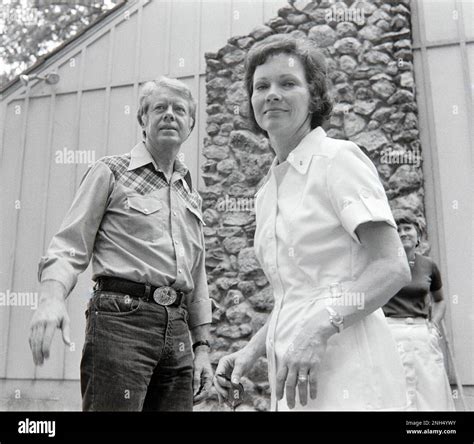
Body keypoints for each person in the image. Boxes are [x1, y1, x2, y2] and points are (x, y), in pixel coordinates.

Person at [214, 34, 412, 411]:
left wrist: (320, 327)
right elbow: (295, 294)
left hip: (350, 367)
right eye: (261, 86)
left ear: (314, 96)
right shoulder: (266, 192)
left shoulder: (338, 160)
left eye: (288, 83)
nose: (272, 93)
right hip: (291, 372)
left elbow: (392, 266)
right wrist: (251, 350)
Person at [29, 77, 213, 411]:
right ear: (143, 119)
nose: (170, 115)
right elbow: (69, 246)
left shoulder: (191, 194)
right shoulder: (111, 171)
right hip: (121, 321)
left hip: (178, 331)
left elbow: (198, 276)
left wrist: (202, 346)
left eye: (179, 110)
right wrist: (50, 299)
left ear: (190, 125)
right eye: (160, 108)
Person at [383, 210, 455, 411]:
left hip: (421, 333)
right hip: (391, 332)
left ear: (418, 235)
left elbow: (440, 300)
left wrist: (434, 325)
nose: (403, 233)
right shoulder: (384, 264)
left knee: (430, 389)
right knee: (397, 389)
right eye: (398, 229)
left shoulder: (428, 265)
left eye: (408, 228)